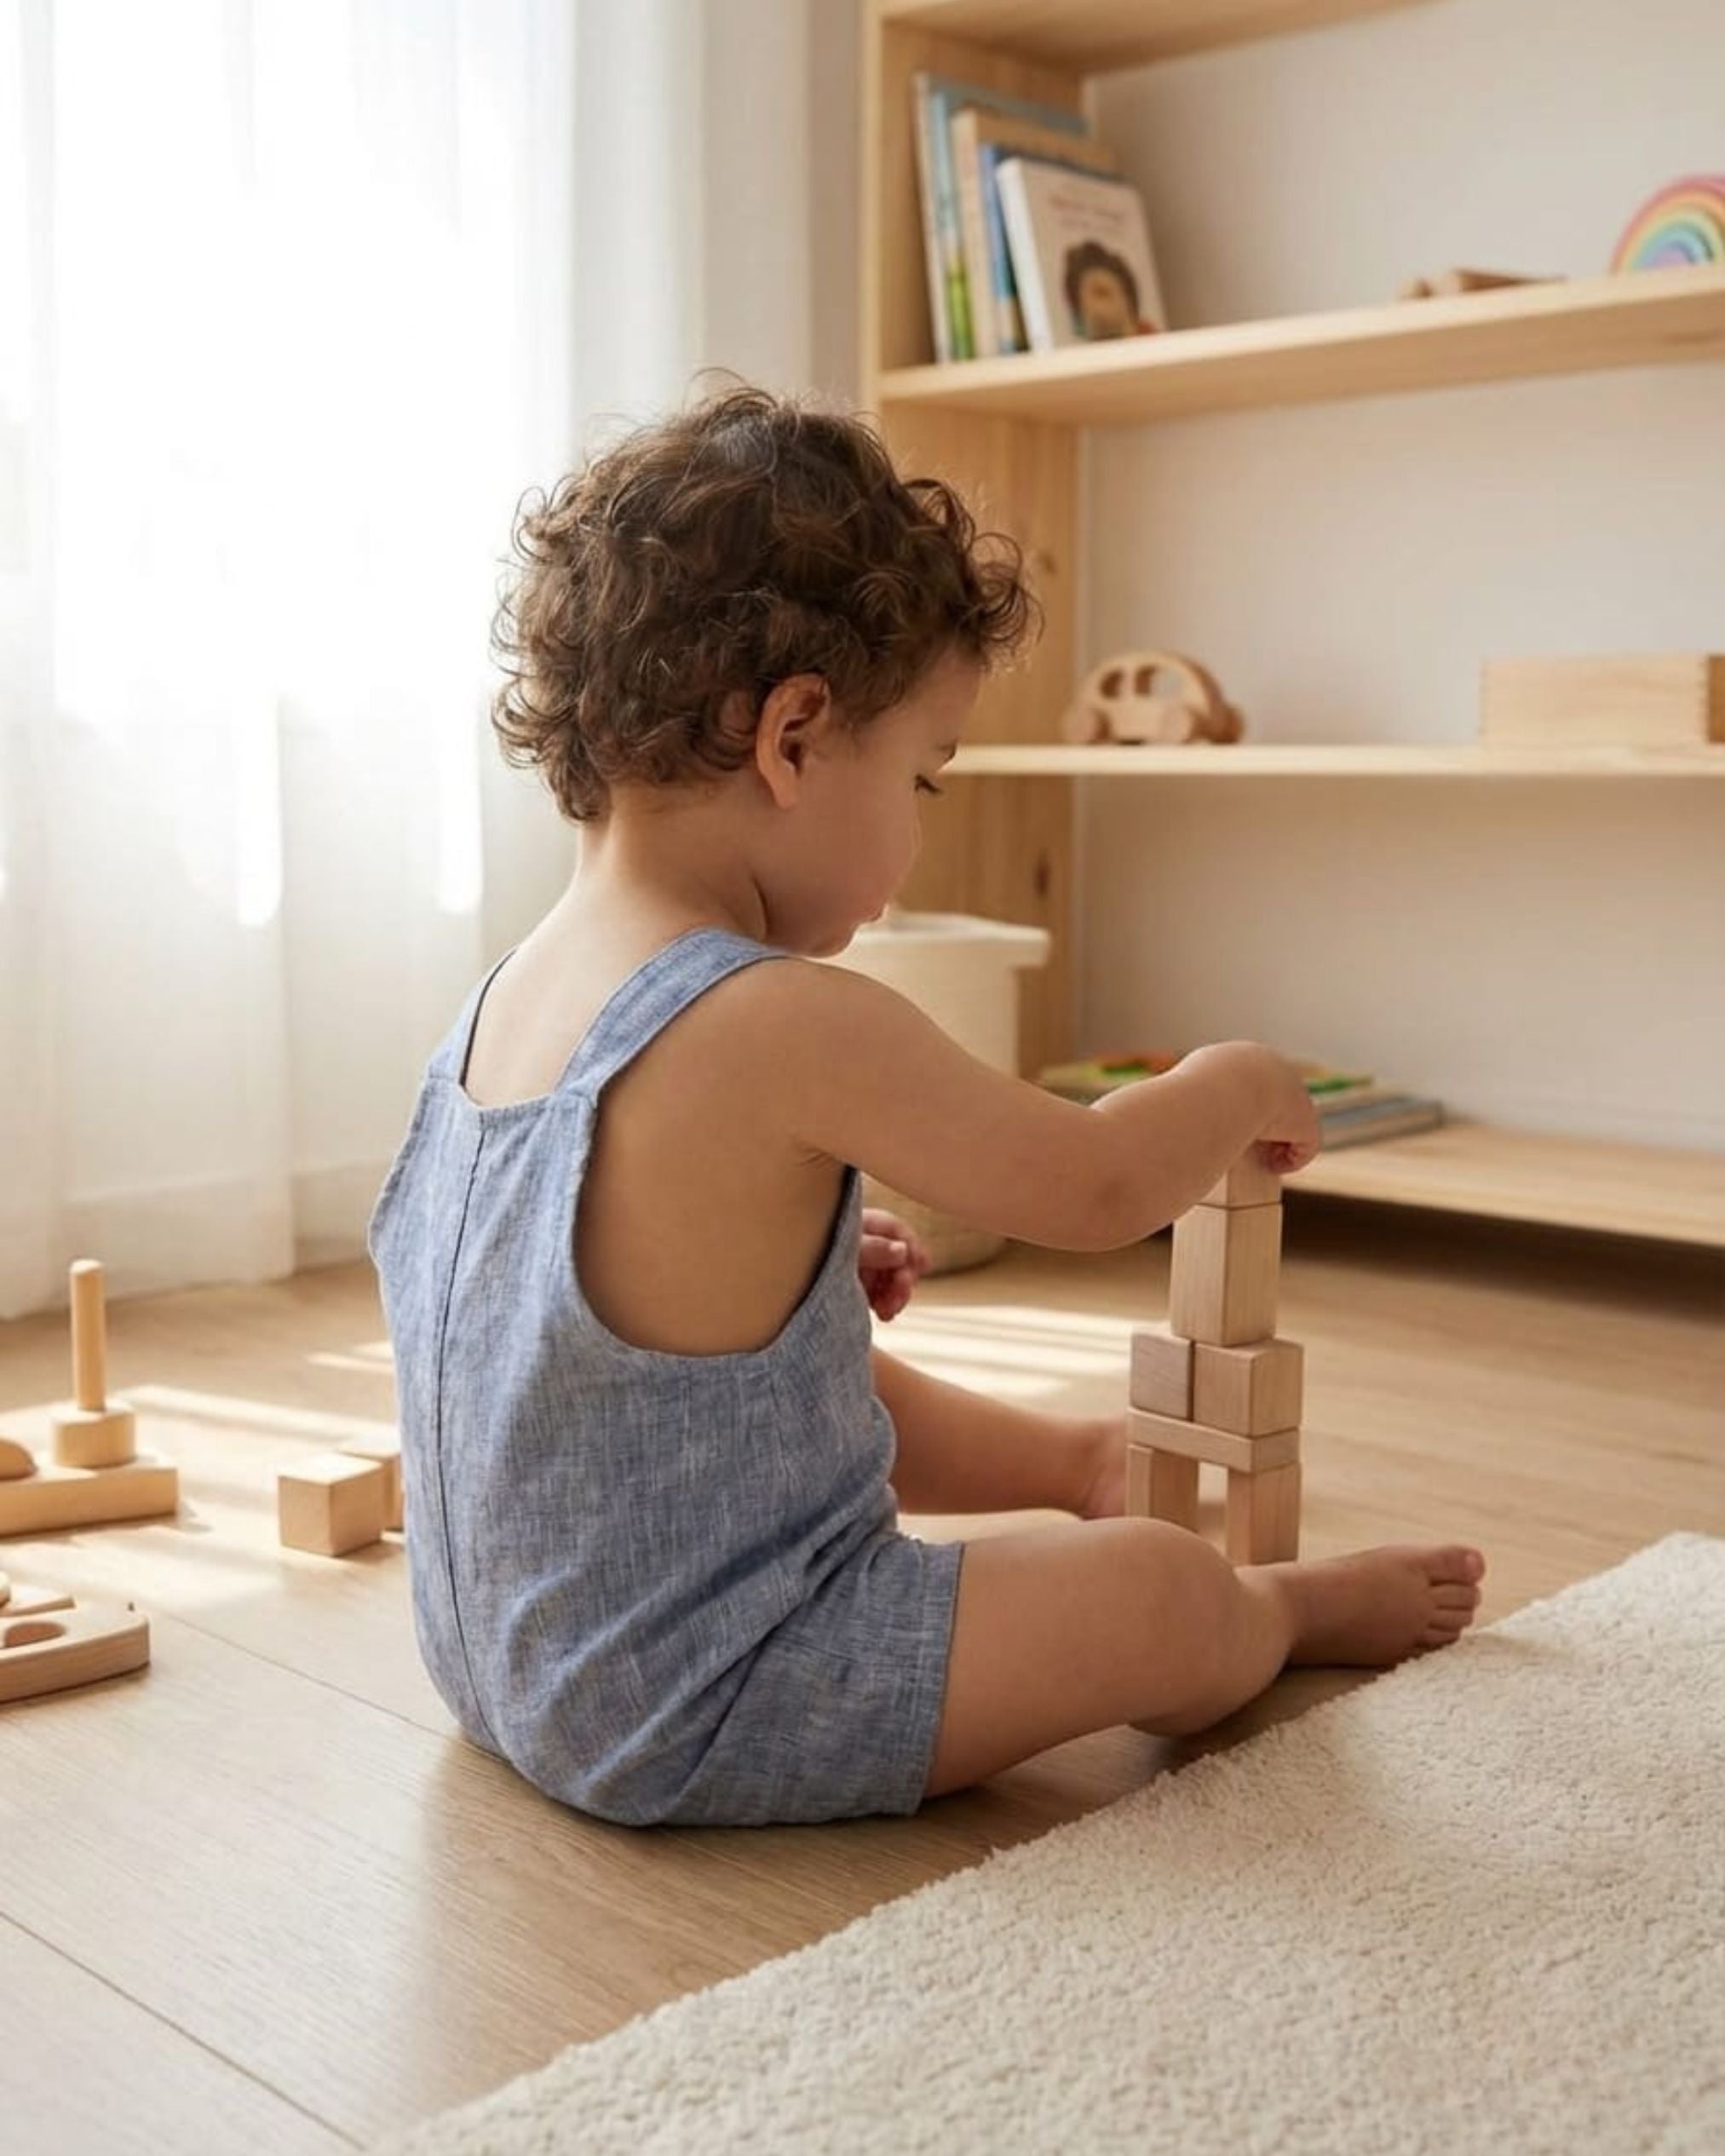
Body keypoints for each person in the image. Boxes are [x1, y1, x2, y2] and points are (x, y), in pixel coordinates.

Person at [368, 383, 1484, 1829]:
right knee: (1154, 1596)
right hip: (703, 1693)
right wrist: (1225, 1086)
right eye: (924, 775)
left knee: (813, 1372)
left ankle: (1084, 1462)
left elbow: (584, 1356)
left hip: (507, 1662)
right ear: (791, 737)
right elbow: (1091, 1190)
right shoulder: (770, 1012)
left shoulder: (508, 995)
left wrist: (795, 1268)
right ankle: (1265, 1614)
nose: (917, 823)